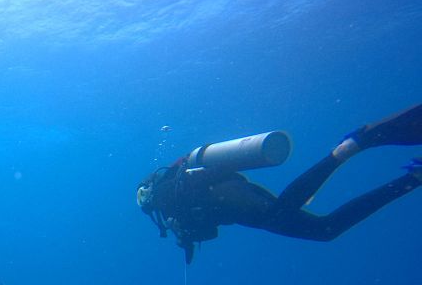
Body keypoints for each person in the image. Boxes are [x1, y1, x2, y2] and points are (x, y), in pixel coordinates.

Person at [136, 104, 422, 263]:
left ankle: (346, 152)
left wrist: (184, 236)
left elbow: (204, 227)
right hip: (235, 200)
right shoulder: (170, 191)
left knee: (285, 212)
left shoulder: (165, 201)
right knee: (325, 230)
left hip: (229, 197)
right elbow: (208, 227)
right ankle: (410, 179)